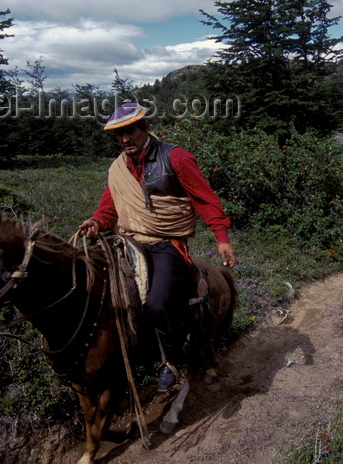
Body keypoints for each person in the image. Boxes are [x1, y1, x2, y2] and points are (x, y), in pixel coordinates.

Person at [79, 102, 236, 392]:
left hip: (166, 242)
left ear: (145, 128)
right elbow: (108, 209)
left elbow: (204, 198)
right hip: (126, 240)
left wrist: (221, 236)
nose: (125, 139)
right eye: (119, 135)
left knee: (158, 301)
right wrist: (95, 222)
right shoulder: (118, 169)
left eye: (130, 132)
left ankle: (172, 360)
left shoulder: (176, 157)